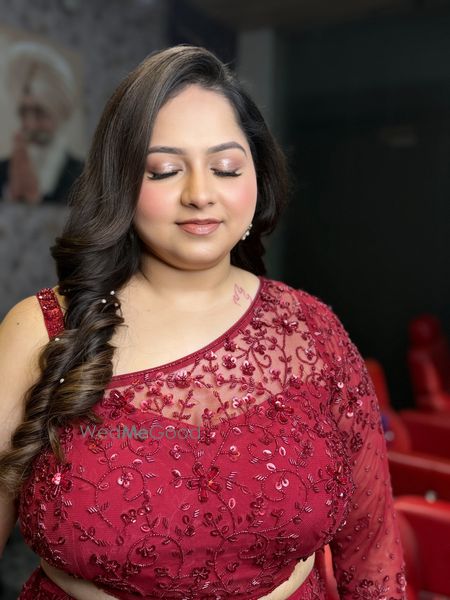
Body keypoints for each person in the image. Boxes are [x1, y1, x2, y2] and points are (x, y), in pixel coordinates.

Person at [0, 45, 407, 599]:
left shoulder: (312, 333)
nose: (199, 194)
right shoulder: (43, 330)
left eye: (225, 168)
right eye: (165, 170)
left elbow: (372, 549)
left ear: (257, 175)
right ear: (122, 183)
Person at [0, 41, 83, 205]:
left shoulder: (82, 175)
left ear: (60, 114)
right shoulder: (2, 171)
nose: (30, 125)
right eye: (24, 112)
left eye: (40, 113)